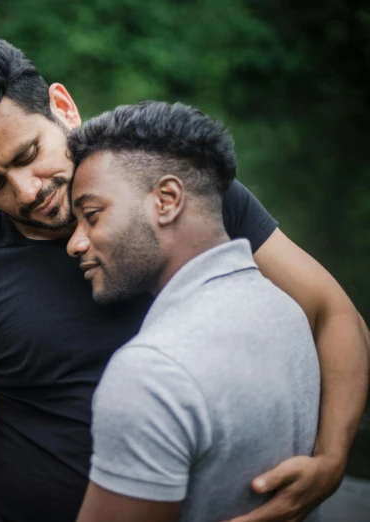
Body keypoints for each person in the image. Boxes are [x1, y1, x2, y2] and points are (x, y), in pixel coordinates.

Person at [0, 36, 369, 522]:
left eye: (27, 155)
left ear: (63, 107)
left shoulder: (182, 195)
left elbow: (334, 316)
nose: (27, 190)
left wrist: (331, 459)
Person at [67, 101, 321, 522]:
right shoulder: (286, 312)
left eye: (91, 215)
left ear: (166, 199)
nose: (75, 242)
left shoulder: (152, 374)